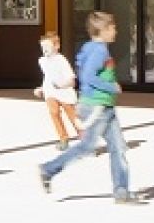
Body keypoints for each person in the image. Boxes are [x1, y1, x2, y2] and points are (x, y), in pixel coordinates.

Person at [35, 11, 143, 205]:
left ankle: (121, 192)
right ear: (103, 30)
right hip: (96, 107)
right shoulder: (99, 51)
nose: (116, 31)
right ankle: (48, 169)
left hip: (104, 106)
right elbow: (88, 77)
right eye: (113, 27)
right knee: (87, 147)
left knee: (118, 148)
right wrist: (111, 86)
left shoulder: (91, 47)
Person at [35, 32, 80, 151]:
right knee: (54, 113)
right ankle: (63, 139)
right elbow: (48, 76)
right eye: (42, 47)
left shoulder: (62, 60)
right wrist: (42, 88)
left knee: (73, 117)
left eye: (47, 46)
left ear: (56, 46)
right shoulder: (42, 61)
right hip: (50, 92)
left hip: (65, 93)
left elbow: (72, 81)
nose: (44, 50)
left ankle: (86, 141)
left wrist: (62, 85)